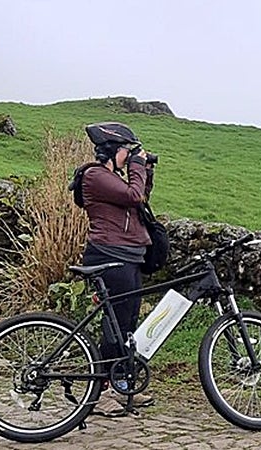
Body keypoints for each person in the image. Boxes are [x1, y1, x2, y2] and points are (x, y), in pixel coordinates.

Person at [80, 122, 155, 416]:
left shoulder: (113, 178)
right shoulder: (95, 174)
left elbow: (140, 198)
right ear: (112, 150)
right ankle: (100, 392)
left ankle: (121, 385)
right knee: (114, 328)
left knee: (126, 326)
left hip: (128, 256)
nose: (130, 156)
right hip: (110, 256)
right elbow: (132, 196)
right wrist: (137, 165)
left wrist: (145, 171)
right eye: (127, 151)